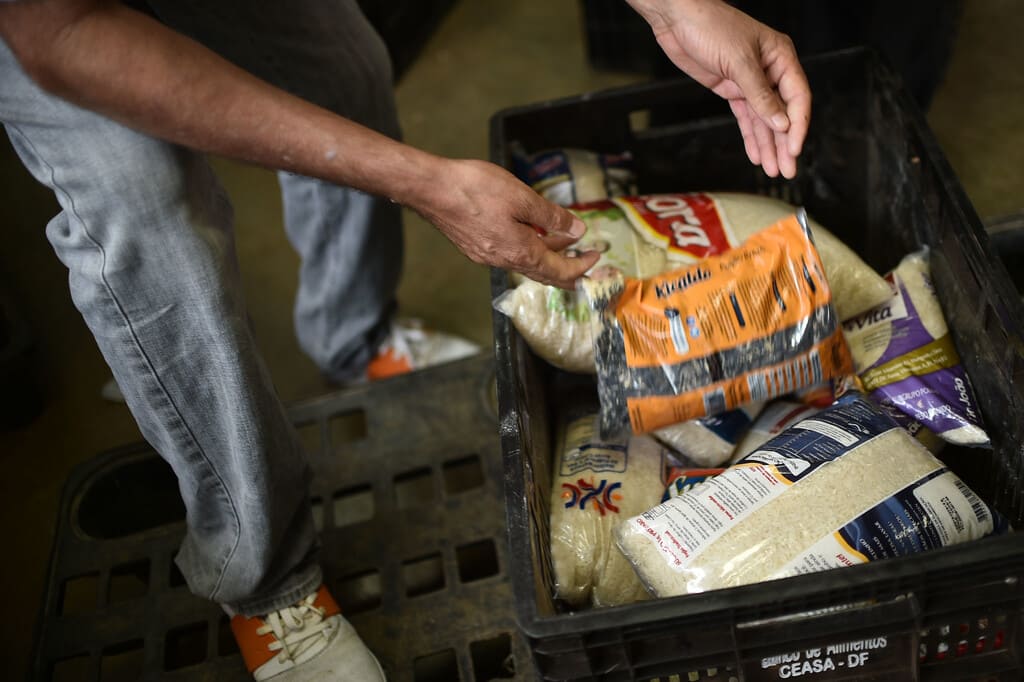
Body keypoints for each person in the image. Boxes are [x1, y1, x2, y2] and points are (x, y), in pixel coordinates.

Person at [0, 0, 810, 679]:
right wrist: (424, 183)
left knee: (343, 67)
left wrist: (678, 5)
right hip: (61, 26)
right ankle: (264, 578)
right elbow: (66, 36)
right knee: (150, 210)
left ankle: (354, 339)